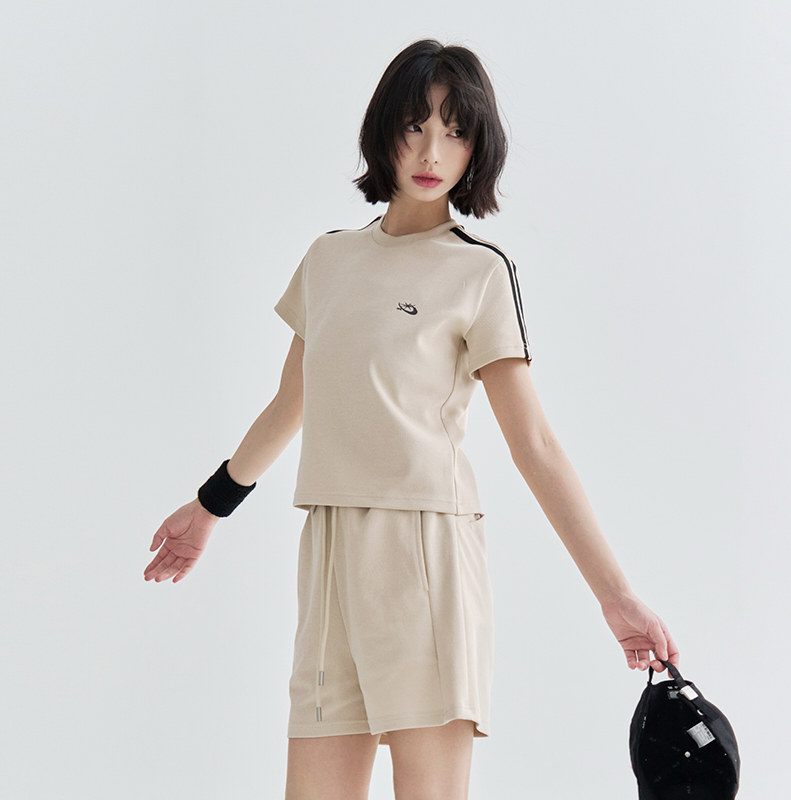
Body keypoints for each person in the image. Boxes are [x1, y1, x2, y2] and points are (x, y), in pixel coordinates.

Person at [144, 39, 679, 800]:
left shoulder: (479, 271)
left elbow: (534, 444)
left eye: (455, 131)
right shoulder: (328, 260)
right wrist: (209, 507)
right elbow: (293, 400)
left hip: (424, 551)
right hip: (329, 548)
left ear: (477, 148)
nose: (432, 151)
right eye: (414, 126)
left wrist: (615, 595)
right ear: (383, 131)